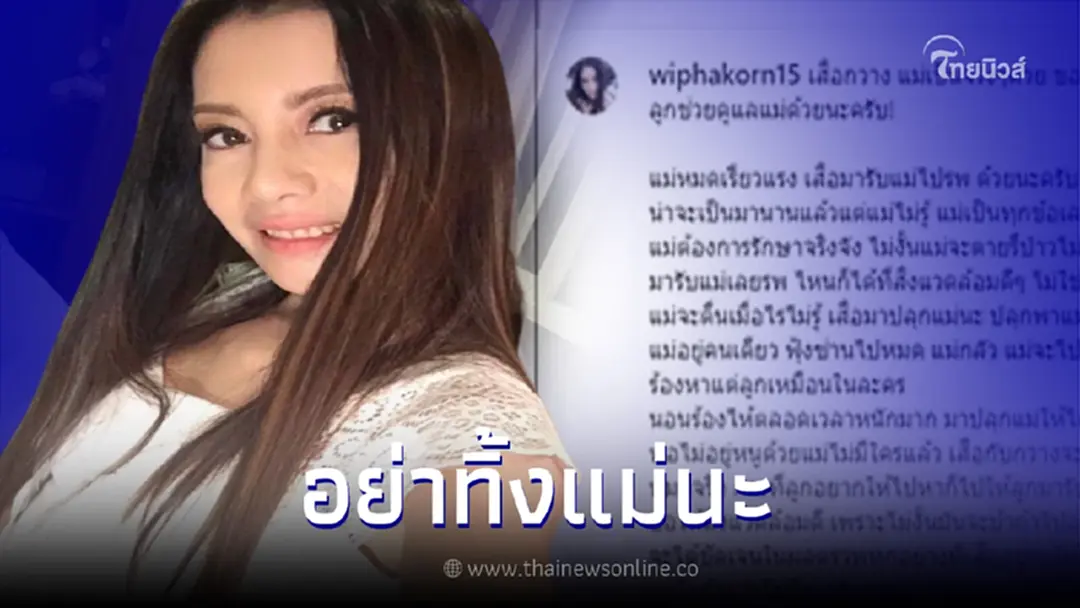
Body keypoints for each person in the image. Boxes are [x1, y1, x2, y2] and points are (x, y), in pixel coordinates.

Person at [0, 0, 572, 601]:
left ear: (452, 135)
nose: (266, 182)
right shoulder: (216, 298)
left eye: (332, 119)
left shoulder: (472, 430)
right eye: (226, 135)